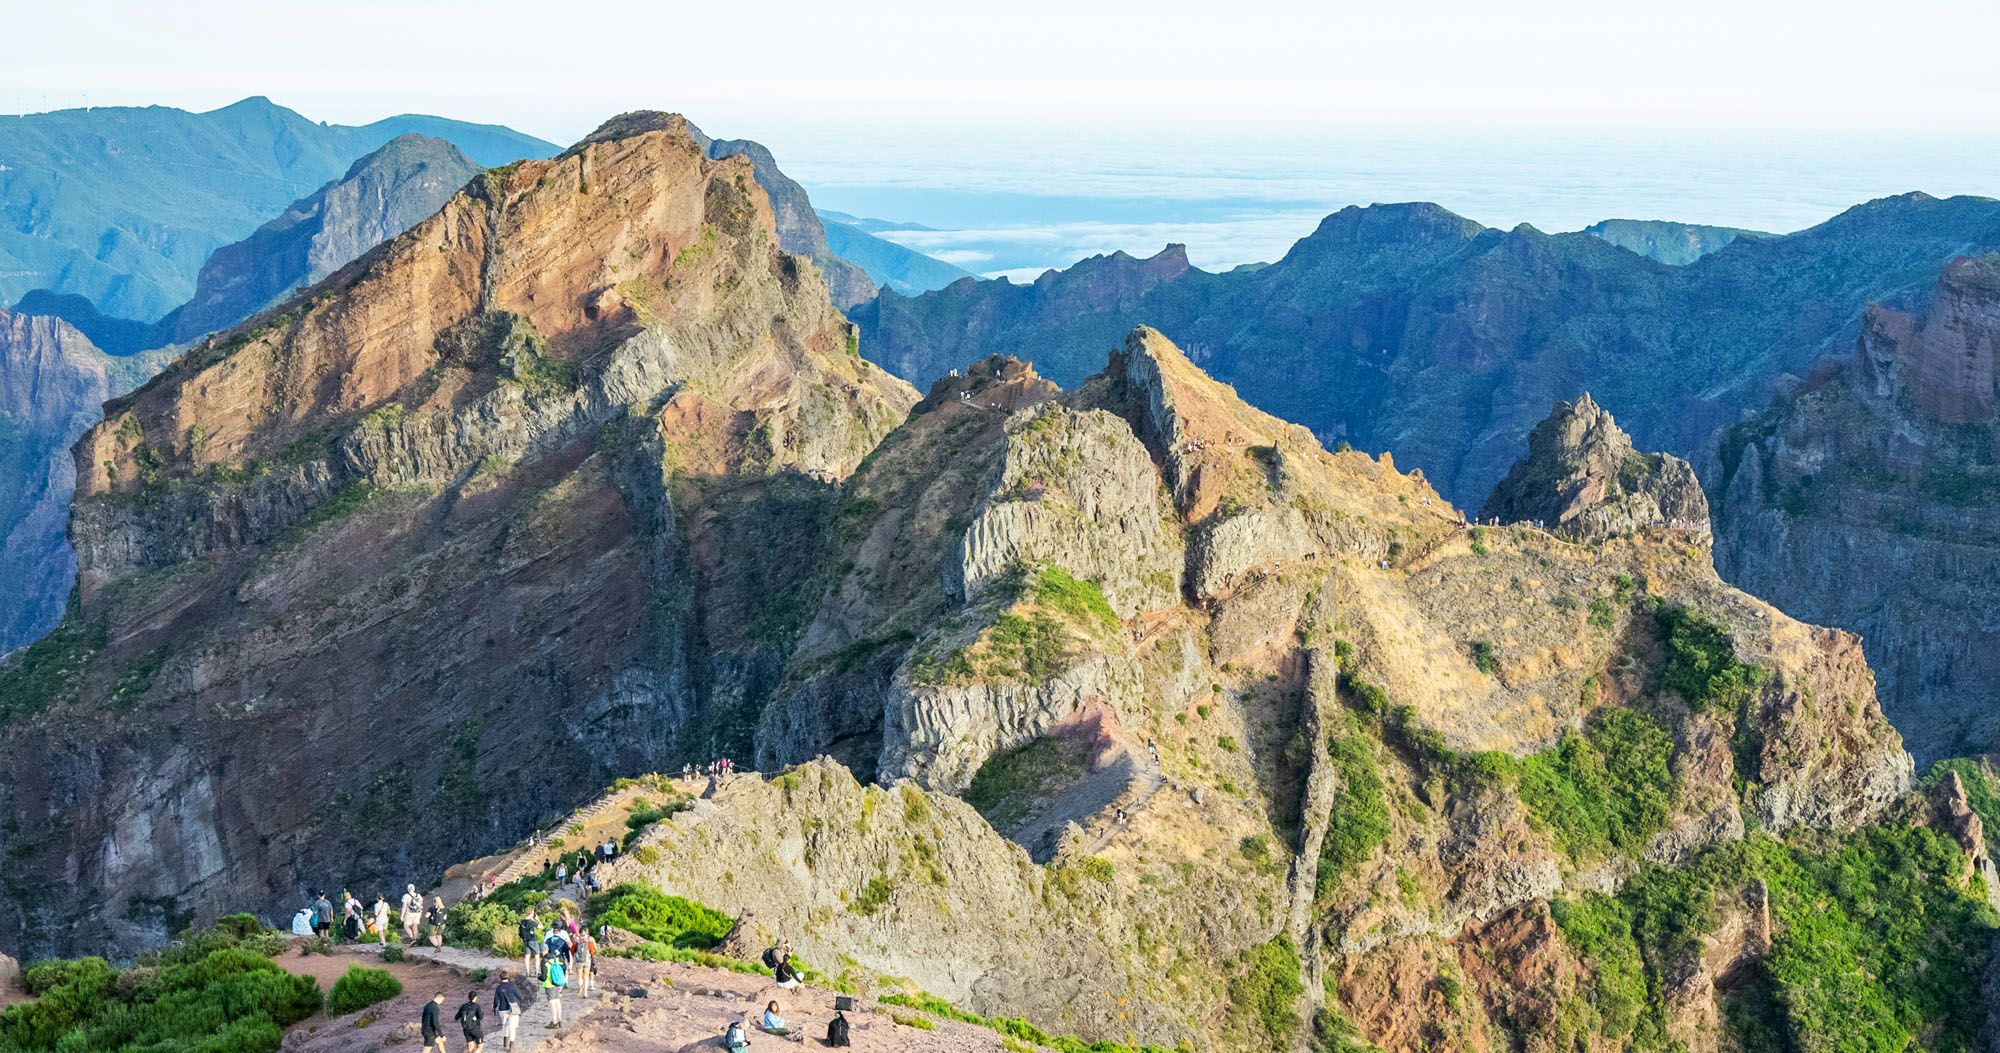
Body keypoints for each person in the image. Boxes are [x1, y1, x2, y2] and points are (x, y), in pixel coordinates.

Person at [492, 970, 524, 1050]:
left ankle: (505, 1040)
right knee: (512, 1027)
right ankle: (511, 1046)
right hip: (512, 1010)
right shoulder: (512, 986)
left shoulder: (498, 988)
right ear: (508, 977)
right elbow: (520, 997)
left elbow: (496, 1001)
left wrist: (494, 1008)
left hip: (502, 1010)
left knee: (505, 1025)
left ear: (500, 978)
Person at [541, 947, 568, 1028]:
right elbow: (564, 967)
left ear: (542, 951)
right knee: (557, 1001)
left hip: (549, 984)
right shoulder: (556, 958)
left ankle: (554, 1022)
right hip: (558, 983)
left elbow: (544, 977)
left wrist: (539, 977)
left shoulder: (544, 960)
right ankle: (559, 1020)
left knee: (552, 1003)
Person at [519, 911, 541, 976]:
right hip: (533, 940)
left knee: (527, 956)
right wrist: (538, 919)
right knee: (537, 955)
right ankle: (537, 972)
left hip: (525, 940)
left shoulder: (522, 921)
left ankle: (527, 972)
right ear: (531, 914)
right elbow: (541, 926)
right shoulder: (532, 922)